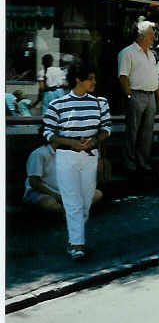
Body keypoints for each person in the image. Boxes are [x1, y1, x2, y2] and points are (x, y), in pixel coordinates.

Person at [42, 61, 111, 260]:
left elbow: (107, 128)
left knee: (85, 200)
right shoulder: (58, 105)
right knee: (72, 202)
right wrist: (70, 143)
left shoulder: (100, 103)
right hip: (66, 157)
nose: (94, 82)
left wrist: (95, 140)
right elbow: (47, 132)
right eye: (91, 78)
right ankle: (77, 244)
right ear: (78, 80)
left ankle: (76, 238)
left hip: (89, 157)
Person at [118, 20, 159, 175]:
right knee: (132, 131)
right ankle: (129, 163)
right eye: (151, 34)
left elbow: (154, 77)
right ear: (141, 36)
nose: (153, 37)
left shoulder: (151, 55)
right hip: (136, 94)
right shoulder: (127, 53)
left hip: (150, 95)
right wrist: (129, 95)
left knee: (147, 132)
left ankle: (142, 162)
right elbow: (123, 76)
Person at [23, 142, 103, 215]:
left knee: (97, 193)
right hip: (44, 193)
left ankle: (67, 212)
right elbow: (34, 182)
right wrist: (56, 195)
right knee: (49, 203)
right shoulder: (39, 154)